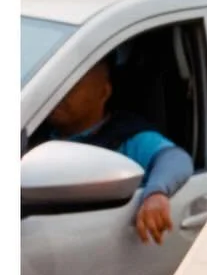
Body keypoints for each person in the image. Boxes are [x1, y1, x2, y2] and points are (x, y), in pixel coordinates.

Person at [38, 58, 194, 245]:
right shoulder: (31, 128)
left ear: (103, 93)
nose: (58, 94)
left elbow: (175, 159)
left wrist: (156, 194)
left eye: (71, 87)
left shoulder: (127, 136)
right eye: (55, 84)